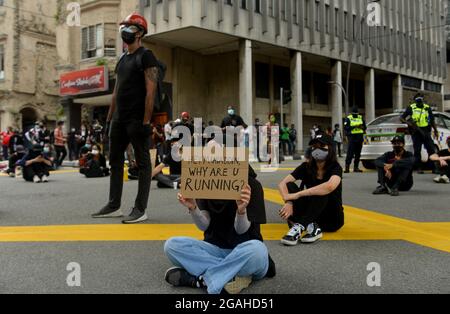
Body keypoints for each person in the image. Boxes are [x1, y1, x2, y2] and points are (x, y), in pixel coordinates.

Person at [164, 167, 276, 295]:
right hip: (216, 250)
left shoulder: (251, 185)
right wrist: (193, 208)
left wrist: (241, 210)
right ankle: (230, 276)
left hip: (245, 253)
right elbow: (205, 225)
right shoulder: (205, 182)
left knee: (257, 249)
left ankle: (199, 280)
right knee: (172, 245)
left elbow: (241, 231)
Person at [92, 13, 157, 224]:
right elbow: (116, 92)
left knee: (143, 163)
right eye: (124, 27)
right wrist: (109, 120)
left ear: (140, 33)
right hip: (119, 119)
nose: (124, 31)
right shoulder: (122, 59)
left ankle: (140, 209)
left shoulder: (146, 56)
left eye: (129, 27)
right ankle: (113, 205)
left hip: (137, 119)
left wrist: (146, 122)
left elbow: (151, 91)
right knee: (115, 162)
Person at [278, 134, 344, 246]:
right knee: (290, 185)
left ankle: (299, 226)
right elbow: (282, 183)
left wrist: (297, 195)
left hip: (331, 218)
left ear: (330, 149)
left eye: (322, 146)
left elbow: (329, 186)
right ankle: (312, 227)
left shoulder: (335, 167)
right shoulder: (306, 166)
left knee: (321, 190)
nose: (317, 150)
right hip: (313, 214)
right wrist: (288, 201)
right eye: (315, 147)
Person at [401, 93, 438, 174]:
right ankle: (419, 168)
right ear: (415, 101)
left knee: (431, 149)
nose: (419, 102)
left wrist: (435, 130)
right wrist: (409, 123)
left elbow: (432, 120)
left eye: (421, 100)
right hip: (416, 132)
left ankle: (433, 167)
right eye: (418, 101)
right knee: (417, 150)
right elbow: (402, 118)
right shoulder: (411, 107)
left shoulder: (427, 108)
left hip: (426, 131)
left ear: (422, 100)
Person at [344, 107, 367, 173]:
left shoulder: (360, 117)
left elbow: (365, 127)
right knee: (350, 153)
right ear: (352, 113)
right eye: (354, 114)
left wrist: (362, 127)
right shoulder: (348, 118)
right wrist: (355, 126)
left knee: (358, 153)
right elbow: (346, 127)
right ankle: (347, 168)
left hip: (359, 137)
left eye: (356, 114)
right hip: (352, 137)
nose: (356, 115)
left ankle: (356, 167)